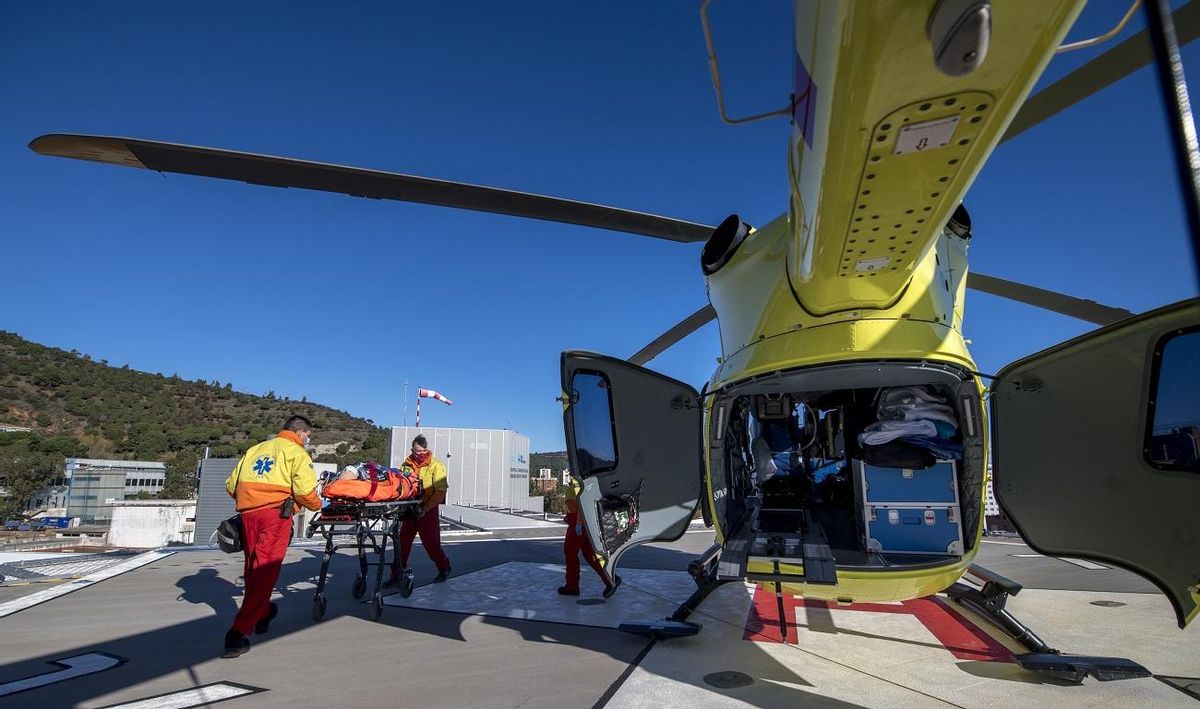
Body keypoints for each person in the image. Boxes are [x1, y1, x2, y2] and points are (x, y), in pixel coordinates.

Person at [221, 415, 322, 658]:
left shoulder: (255, 450)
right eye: (307, 436)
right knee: (265, 570)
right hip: (275, 516)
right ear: (300, 433)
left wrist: (252, 501)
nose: (307, 440)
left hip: (248, 515)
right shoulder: (296, 453)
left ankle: (264, 612)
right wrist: (317, 504)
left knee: (252, 568)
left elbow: (231, 485)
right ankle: (238, 632)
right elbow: (305, 490)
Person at [386, 435, 451, 585]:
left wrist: (427, 508)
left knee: (431, 544)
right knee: (402, 544)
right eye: (417, 451)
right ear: (412, 450)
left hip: (428, 509)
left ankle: (444, 568)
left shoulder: (436, 466)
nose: (420, 454)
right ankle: (396, 574)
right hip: (410, 509)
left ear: (427, 449)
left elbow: (440, 491)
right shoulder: (406, 466)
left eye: (423, 451)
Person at [559, 476, 619, 598]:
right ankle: (611, 578)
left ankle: (572, 587)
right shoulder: (579, 476)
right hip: (579, 520)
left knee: (570, 553)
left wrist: (579, 523)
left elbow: (583, 500)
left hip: (578, 520)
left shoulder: (581, 477)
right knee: (590, 555)